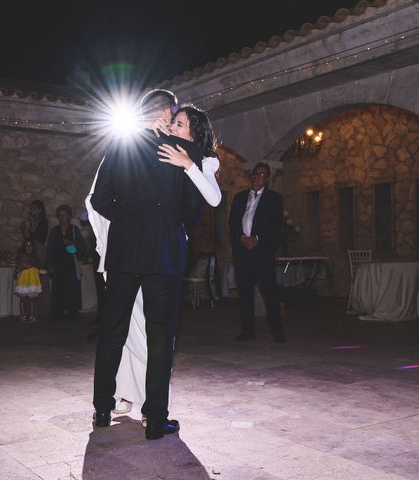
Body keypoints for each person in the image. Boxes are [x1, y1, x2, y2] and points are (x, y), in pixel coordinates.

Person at [87, 100, 222, 426]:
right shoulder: (188, 153)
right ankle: (155, 418)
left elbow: (98, 198)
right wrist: (172, 228)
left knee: (111, 333)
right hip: (164, 253)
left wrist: (128, 223)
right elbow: (195, 209)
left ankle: (103, 410)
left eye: (179, 122)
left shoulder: (123, 144)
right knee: (160, 336)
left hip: (124, 252)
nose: (173, 125)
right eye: (172, 119)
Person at [228, 162, 285, 343]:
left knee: (269, 292)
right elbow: (233, 222)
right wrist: (241, 238)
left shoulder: (274, 198)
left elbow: (275, 226)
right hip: (243, 252)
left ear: (267, 179)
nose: (256, 177)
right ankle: (247, 330)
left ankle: (277, 330)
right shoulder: (239, 197)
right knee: (245, 293)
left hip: (262, 252)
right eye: (254, 174)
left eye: (261, 174)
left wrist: (258, 239)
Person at [45, 205, 85, 322]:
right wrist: (50, 266)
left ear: (69, 216)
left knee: (72, 290)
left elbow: (81, 249)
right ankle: (58, 313)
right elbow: (50, 250)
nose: (62, 218)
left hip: (71, 265)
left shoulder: (74, 230)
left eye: (64, 215)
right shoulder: (54, 231)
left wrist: (71, 244)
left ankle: (73, 313)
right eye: (60, 216)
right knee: (58, 289)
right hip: (58, 265)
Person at [14, 238, 42, 323]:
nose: (28, 247)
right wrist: (18, 270)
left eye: (30, 245)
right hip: (23, 281)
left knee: (31, 299)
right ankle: (23, 316)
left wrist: (30, 266)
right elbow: (18, 268)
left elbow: (38, 267)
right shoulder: (21, 257)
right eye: (26, 245)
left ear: (33, 247)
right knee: (23, 299)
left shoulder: (35, 257)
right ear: (24, 247)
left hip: (32, 281)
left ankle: (31, 316)